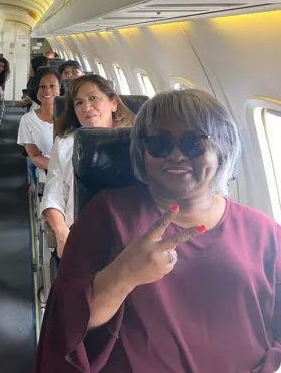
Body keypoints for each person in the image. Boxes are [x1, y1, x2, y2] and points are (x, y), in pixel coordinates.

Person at [36, 89, 281, 372]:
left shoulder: (265, 233)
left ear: (222, 149)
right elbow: (66, 327)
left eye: (194, 143)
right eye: (159, 144)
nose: (176, 155)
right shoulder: (108, 214)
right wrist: (124, 274)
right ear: (143, 152)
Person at [40, 75, 135, 258]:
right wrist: (61, 233)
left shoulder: (136, 144)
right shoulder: (64, 144)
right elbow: (54, 195)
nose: (86, 107)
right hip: (78, 236)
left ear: (113, 103)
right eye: (79, 103)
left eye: (93, 98)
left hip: (129, 241)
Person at [17, 67, 61, 173]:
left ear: (60, 88)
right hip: (50, 171)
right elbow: (34, 155)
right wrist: (61, 170)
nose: (47, 90)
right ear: (36, 90)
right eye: (42, 87)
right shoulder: (27, 120)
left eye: (52, 86)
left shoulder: (74, 115)